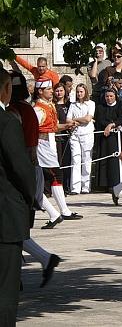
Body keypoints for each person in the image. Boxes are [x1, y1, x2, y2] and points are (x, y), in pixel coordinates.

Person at [0, 68, 37, 324]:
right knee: (5, 288)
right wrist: (30, 198)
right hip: (4, 216)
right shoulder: (6, 122)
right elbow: (21, 169)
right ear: (6, 89)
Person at [33, 79, 82, 228]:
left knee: (55, 175)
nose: (51, 91)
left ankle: (62, 210)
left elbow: (52, 127)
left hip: (50, 142)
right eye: (48, 89)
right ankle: (59, 211)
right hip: (42, 144)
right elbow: (35, 128)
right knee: (52, 175)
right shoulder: (38, 109)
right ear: (40, 91)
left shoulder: (49, 106)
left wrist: (66, 125)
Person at [65, 84, 95, 194]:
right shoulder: (73, 105)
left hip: (86, 133)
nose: (79, 94)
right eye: (78, 92)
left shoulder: (91, 104)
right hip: (75, 134)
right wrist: (75, 121)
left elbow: (88, 118)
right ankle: (75, 187)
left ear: (85, 92)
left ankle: (86, 185)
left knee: (86, 159)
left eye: (81, 92)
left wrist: (75, 119)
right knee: (75, 159)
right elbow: (68, 120)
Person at [93, 88, 122, 189]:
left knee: (114, 160)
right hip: (103, 137)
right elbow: (99, 120)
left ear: (115, 97)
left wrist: (112, 125)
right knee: (104, 159)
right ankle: (103, 184)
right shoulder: (100, 107)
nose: (109, 98)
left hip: (115, 137)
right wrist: (108, 125)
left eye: (111, 96)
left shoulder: (119, 106)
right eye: (107, 96)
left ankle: (115, 183)